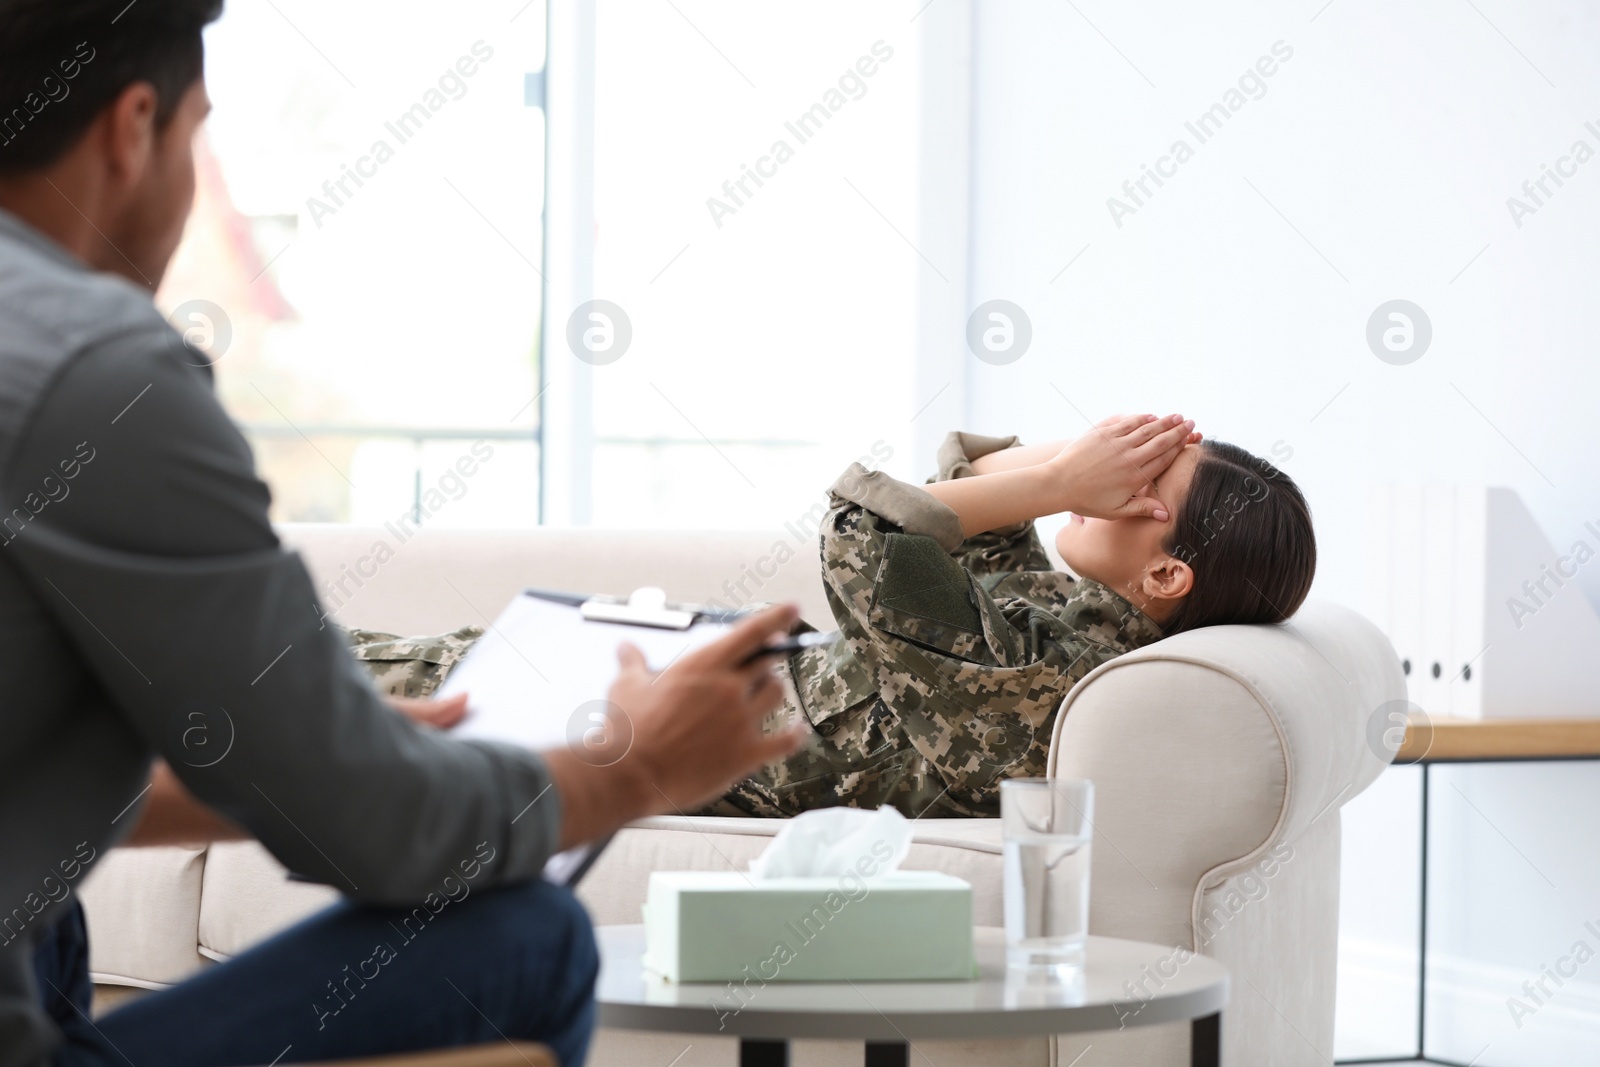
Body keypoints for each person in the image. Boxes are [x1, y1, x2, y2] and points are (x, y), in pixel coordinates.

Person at [0, 3, 807, 1065]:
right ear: (131, 125)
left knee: (43, 910)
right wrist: (637, 765)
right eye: (197, 133)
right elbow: (383, 836)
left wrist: (308, 764)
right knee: (528, 941)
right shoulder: (96, 374)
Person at [701, 421, 1317, 819]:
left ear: (1164, 576)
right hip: (721, 652)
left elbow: (871, 527)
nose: (1114, 486)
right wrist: (1091, 456)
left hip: (692, 727)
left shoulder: (1051, 681)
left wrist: (1059, 483)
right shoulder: (1077, 612)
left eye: (1144, 483)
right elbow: (974, 502)